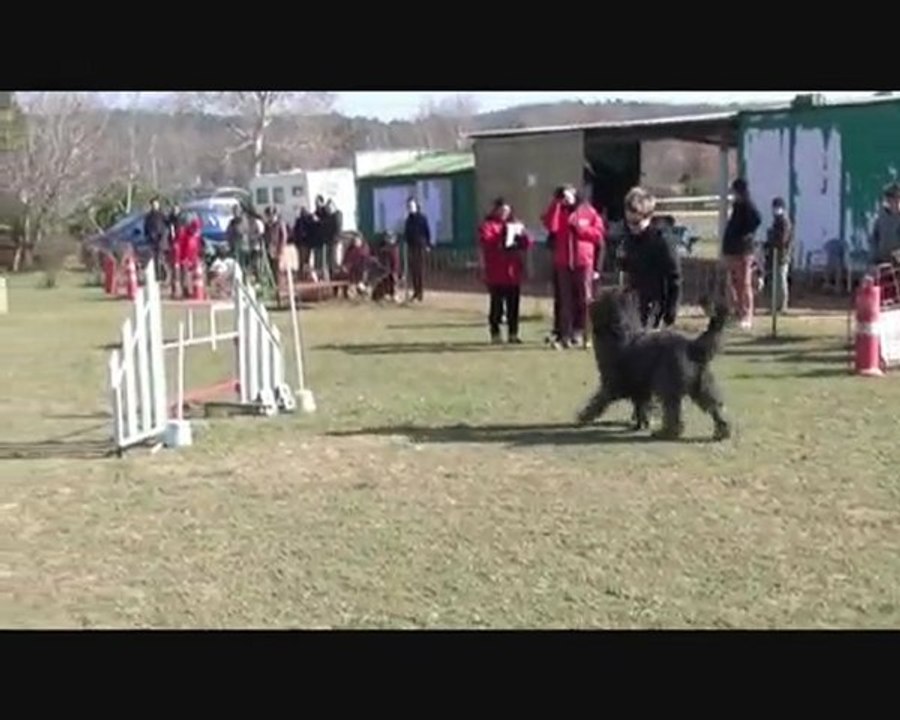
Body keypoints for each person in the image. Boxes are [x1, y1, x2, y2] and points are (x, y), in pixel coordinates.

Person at [541, 187, 605, 349]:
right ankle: (565, 337)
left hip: (583, 262)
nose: (567, 198)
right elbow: (551, 226)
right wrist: (556, 203)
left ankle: (587, 336)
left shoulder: (588, 212)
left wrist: (580, 229)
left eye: (569, 194)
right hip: (563, 262)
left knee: (585, 300)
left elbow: (598, 235)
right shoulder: (560, 211)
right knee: (565, 302)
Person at [617, 186, 682, 329]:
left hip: (656, 305)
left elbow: (674, 279)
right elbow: (625, 271)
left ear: (648, 217)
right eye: (628, 223)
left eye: (636, 223)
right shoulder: (628, 240)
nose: (632, 228)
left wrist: (670, 314)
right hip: (633, 304)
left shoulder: (662, 241)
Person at [478, 198, 535, 344]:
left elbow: (528, 242)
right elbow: (486, 241)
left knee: (513, 305)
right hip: (496, 271)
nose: (504, 213)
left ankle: (513, 333)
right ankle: (495, 333)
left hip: (513, 272)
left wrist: (521, 233)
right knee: (496, 305)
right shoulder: (489, 225)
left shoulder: (514, 224)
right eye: (502, 210)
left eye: (507, 211)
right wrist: (503, 235)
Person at [722, 178, 762, 331]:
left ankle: (747, 315)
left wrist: (745, 234)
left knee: (744, 284)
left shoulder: (747, 205)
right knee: (734, 283)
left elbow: (756, 220)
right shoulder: (737, 206)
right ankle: (738, 312)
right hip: (732, 249)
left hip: (743, 250)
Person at [763, 196, 793, 313]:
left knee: (781, 281)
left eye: (778, 207)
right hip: (775, 254)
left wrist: (771, 242)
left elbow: (782, 240)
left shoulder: (784, 222)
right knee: (775, 281)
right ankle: (775, 305)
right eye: (774, 207)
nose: (775, 210)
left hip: (782, 255)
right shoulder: (777, 221)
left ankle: (782, 306)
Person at [404, 197, 432, 302]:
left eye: (412, 206)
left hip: (420, 246)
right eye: (409, 206)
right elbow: (406, 233)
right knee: (413, 271)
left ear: (416, 206)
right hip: (411, 247)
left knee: (419, 271)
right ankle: (415, 292)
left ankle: (420, 293)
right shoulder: (408, 220)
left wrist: (428, 245)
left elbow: (427, 231)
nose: (410, 208)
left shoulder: (422, 218)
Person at [870, 182, 900, 265]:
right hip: (882, 261)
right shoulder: (880, 217)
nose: (894, 201)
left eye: (897, 198)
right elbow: (874, 239)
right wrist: (873, 258)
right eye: (891, 198)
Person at [143, 197, 168, 275]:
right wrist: (148, 236)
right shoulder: (148, 216)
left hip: (161, 239)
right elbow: (146, 228)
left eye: (156, 204)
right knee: (154, 258)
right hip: (152, 239)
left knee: (160, 257)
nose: (155, 206)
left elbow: (167, 225)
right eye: (153, 204)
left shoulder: (162, 215)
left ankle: (163, 273)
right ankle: (157, 274)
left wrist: (163, 237)